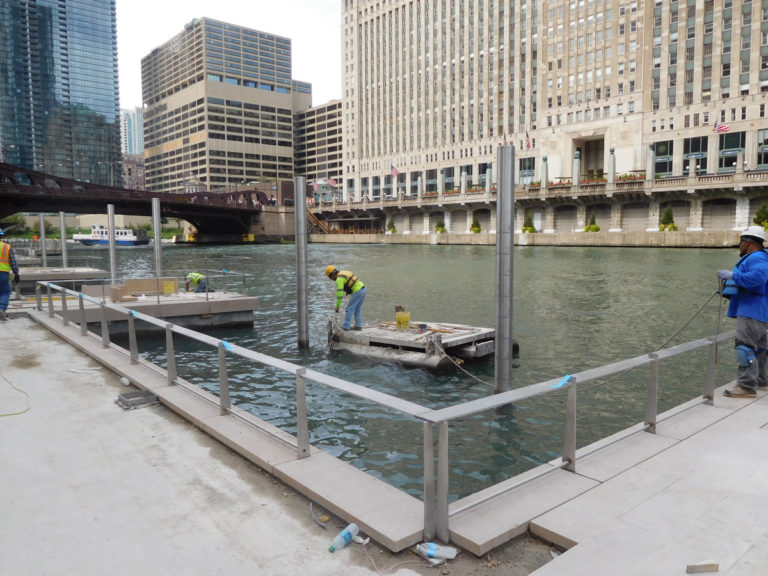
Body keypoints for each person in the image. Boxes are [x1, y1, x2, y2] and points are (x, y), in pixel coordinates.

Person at [717, 225, 768, 398]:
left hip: (750, 313)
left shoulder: (757, 258)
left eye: (741, 241)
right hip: (759, 312)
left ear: (748, 242)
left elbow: (759, 278)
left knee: (744, 348)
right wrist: (731, 289)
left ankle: (746, 387)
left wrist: (733, 277)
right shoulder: (760, 257)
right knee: (760, 349)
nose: (739, 244)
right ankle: (761, 381)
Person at [325, 265, 366, 331]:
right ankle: (358, 325)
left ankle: (346, 326)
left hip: (358, 291)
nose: (331, 279)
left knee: (349, 308)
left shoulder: (339, 279)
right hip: (363, 289)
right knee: (357, 309)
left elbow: (339, 295)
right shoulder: (342, 272)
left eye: (330, 277)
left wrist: (337, 307)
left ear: (332, 274)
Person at [0, 227, 20, 321]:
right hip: (3, 273)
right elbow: (13, 261)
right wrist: (16, 273)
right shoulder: (6, 247)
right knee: (4, 292)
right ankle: (1, 309)